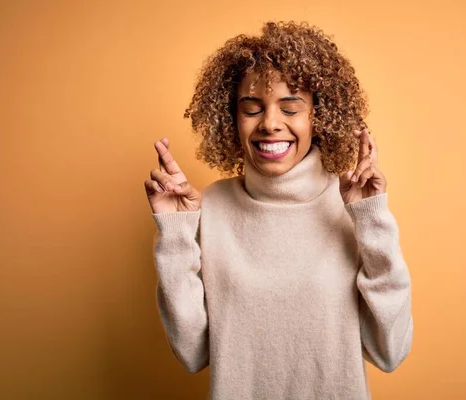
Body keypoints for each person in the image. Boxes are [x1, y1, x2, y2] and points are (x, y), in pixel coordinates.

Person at [144, 21, 413, 400]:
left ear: (318, 116)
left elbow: (390, 351)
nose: (270, 124)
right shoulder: (213, 208)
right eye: (251, 108)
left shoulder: (353, 207)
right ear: (231, 118)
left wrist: (372, 222)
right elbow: (191, 354)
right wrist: (174, 232)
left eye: (290, 108)